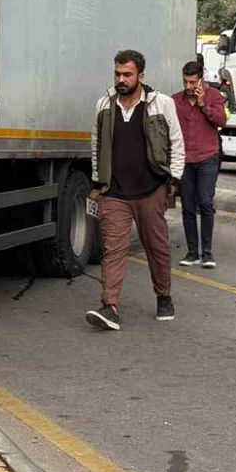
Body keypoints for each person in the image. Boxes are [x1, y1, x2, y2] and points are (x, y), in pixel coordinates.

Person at [86, 50, 186, 330]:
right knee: (113, 249)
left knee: (157, 247)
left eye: (127, 74)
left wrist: (173, 179)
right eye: (117, 74)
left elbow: (176, 141)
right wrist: (97, 182)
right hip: (114, 191)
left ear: (141, 76)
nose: (121, 79)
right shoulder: (104, 105)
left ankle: (164, 295)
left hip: (151, 189)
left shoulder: (160, 104)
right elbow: (97, 145)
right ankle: (110, 306)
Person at [174, 60, 227, 269]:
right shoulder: (176, 100)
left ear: (201, 80)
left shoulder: (214, 96)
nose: (188, 87)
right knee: (187, 206)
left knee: (205, 202)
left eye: (192, 82)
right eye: (185, 82)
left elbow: (222, 121)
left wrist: (203, 104)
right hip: (185, 159)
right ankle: (192, 252)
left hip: (207, 157)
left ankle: (207, 252)